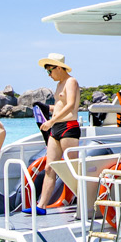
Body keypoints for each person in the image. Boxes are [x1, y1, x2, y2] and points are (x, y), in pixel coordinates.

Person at [34, 53, 81, 210]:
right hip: (56, 129)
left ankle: (83, 202)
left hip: (68, 127)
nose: (49, 74)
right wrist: (46, 109)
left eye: (50, 71)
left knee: (72, 167)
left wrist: (52, 121)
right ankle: (41, 205)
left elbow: (71, 105)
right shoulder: (59, 84)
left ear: (59, 68)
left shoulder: (71, 81)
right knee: (49, 167)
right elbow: (61, 105)